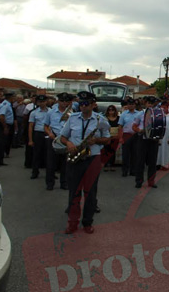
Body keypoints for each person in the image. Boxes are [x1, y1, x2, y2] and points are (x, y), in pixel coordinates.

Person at [60, 91, 110, 234]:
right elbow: (62, 137)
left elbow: (107, 139)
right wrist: (69, 143)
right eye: (81, 104)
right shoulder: (73, 118)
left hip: (92, 158)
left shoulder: (101, 120)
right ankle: (72, 222)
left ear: (93, 104)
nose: (83, 107)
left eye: (86, 104)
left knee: (90, 193)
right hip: (75, 158)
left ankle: (87, 222)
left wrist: (96, 140)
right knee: (73, 192)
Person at [44, 93, 72, 190]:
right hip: (54, 137)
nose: (64, 103)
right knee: (51, 162)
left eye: (66, 101)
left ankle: (64, 183)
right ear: (58, 101)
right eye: (62, 101)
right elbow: (45, 126)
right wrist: (49, 133)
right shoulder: (51, 112)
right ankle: (50, 183)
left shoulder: (72, 113)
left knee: (65, 163)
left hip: (65, 138)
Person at [117, 98, 141, 177]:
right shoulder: (123, 114)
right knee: (125, 154)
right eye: (129, 104)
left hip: (135, 135)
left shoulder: (139, 114)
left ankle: (133, 170)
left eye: (132, 104)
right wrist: (120, 137)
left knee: (135, 154)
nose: (131, 105)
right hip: (126, 135)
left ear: (135, 105)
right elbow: (120, 126)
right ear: (127, 105)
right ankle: (125, 170)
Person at [0, 92, 16, 168]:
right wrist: (5, 127)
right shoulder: (5, 105)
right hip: (3, 125)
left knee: (3, 143)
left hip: (4, 124)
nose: (13, 99)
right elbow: (2, 116)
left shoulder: (5, 104)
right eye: (13, 98)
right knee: (0, 144)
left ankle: (0, 160)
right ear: (10, 98)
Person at [28, 95, 49, 180]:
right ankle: (35, 172)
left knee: (48, 155)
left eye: (43, 101)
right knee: (36, 154)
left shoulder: (51, 112)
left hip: (48, 133)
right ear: (37, 102)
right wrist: (30, 140)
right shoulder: (34, 112)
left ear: (46, 102)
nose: (42, 103)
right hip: (38, 133)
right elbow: (30, 126)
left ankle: (50, 172)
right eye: (40, 102)